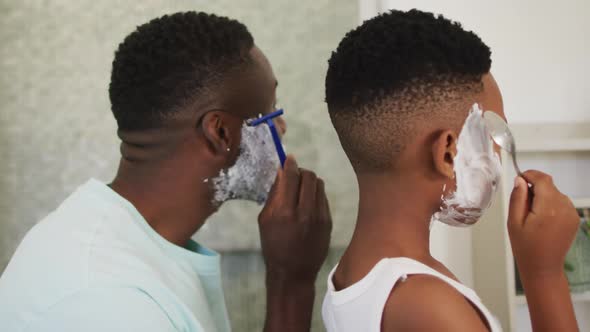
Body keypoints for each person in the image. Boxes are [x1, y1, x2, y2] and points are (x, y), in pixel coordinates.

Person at [0, 12, 332, 332]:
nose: (282, 126)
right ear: (221, 134)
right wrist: (291, 285)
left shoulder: (127, 248)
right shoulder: (108, 300)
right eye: (270, 111)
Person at [321, 9, 580, 331]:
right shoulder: (430, 307)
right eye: (495, 137)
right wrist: (544, 273)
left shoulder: (352, 274)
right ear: (447, 153)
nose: (498, 152)